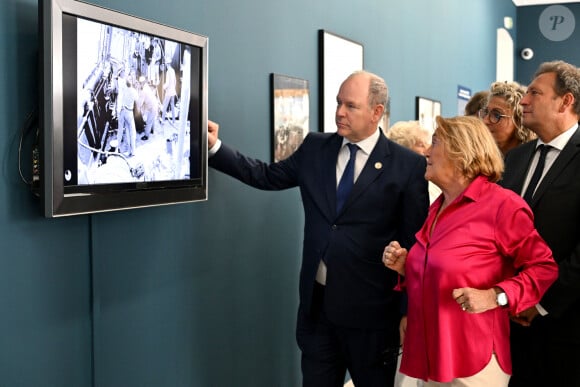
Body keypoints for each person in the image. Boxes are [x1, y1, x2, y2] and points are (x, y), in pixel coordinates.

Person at [208, 70, 429, 387]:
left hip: (372, 316)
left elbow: (414, 247)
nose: (339, 112)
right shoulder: (316, 147)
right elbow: (266, 176)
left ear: (376, 112)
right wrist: (215, 148)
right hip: (318, 310)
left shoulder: (407, 166)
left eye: (350, 106)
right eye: (339, 102)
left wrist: (409, 312)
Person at [383, 115, 558, 387]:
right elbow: (449, 268)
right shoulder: (438, 206)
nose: (427, 152)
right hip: (427, 354)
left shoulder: (503, 206)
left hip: (473, 363)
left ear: (460, 151)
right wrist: (408, 266)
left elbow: (544, 268)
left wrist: (495, 296)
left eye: (435, 143)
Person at [500, 60, 580, 387]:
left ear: (565, 102)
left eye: (535, 92)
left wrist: (541, 304)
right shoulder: (516, 158)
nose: (523, 101)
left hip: (565, 325)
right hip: (508, 319)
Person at [387, 121, 441, 204]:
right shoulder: (398, 183)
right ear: (404, 150)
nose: (428, 150)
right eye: (420, 145)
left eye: (428, 143)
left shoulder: (433, 178)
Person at [479, 81, 536, 156]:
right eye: (486, 112)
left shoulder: (532, 163)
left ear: (519, 122)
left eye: (496, 115)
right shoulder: (480, 160)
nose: (485, 121)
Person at [161, 59, 177, 125]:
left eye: (166, 64)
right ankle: (174, 121)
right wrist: (173, 88)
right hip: (173, 92)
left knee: (164, 106)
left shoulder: (168, 72)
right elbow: (175, 81)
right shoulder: (173, 70)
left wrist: (163, 87)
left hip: (169, 92)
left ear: (167, 64)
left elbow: (167, 83)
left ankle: (162, 121)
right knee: (172, 106)